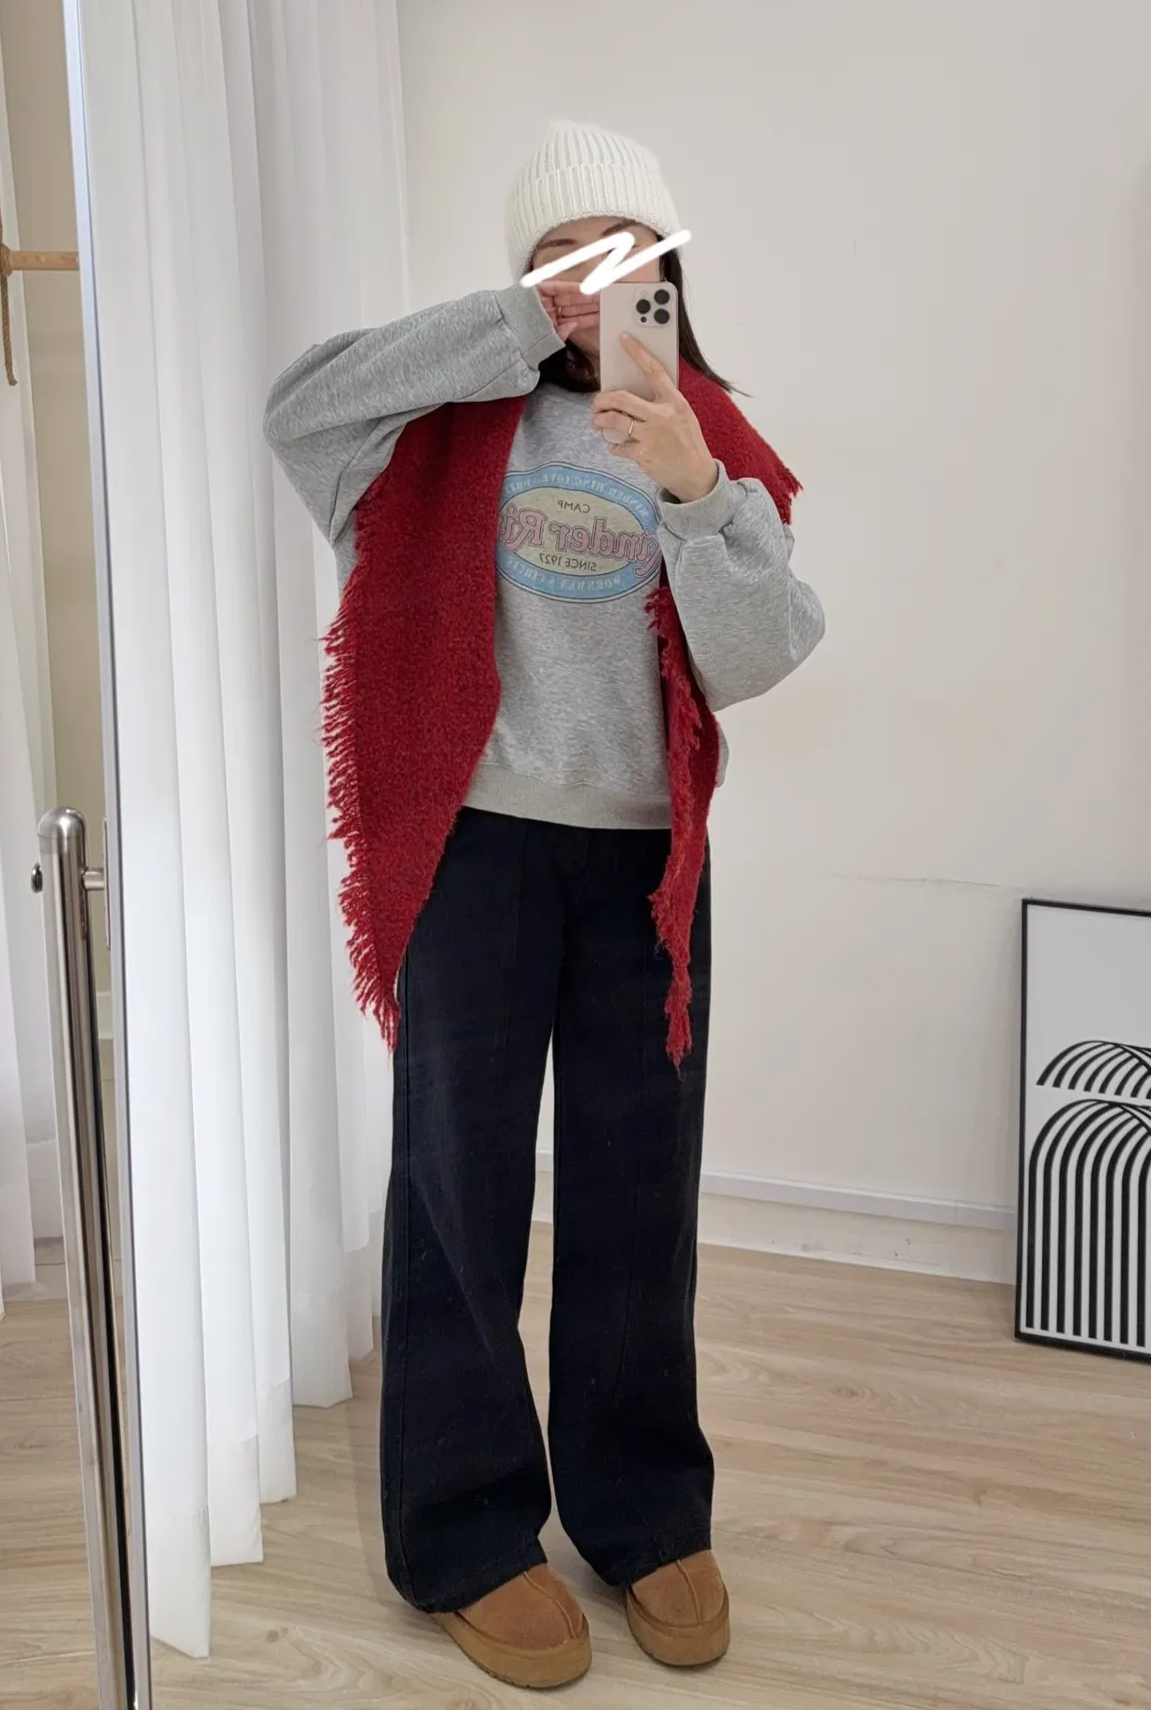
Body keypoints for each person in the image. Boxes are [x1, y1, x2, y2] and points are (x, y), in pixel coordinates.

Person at [264, 120, 825, 1689]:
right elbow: (294, 407)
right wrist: (513, 328)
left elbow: (757, 658)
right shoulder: (433, 431)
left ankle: (646, 1514)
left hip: (647, 863)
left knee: (640, 1194)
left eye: (624, 254)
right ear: (520, 275)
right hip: (476, 854)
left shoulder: (712, 440)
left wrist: (697, 491)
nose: (594, 283)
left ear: (669, 269)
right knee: (457, 1190)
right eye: (559, 258)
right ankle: (463, 1534)